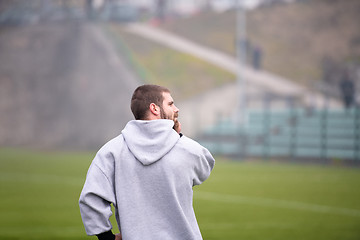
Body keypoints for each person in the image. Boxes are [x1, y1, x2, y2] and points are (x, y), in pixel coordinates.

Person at [79, 84, 215, 240]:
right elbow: (205, 167)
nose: (176, 109)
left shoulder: (111, 151)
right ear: (154, 108)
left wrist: (106, 238)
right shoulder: (186, 148)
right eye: (170, 104)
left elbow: (91, 198)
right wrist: (177, 137)